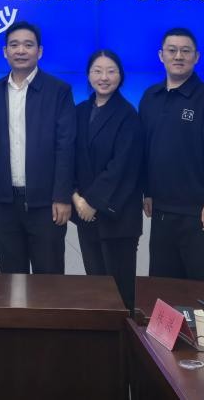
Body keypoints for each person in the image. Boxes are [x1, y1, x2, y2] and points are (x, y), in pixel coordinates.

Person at [0, 21, 76, 275]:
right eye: (14, 45)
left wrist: (62, 196)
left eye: (28, 45)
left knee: (49, 279)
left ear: (39, 51)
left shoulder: (58, 91)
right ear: (5, 52)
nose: (21, 50)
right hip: (4, 202)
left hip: (46, 204)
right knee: (11, 277)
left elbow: (66, 147)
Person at [139, 27, 204, 282]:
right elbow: (144, 150)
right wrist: (147, 191)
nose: (178, 56)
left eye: (185, 51)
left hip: (199, 212)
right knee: (164, 288)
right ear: (161, 55)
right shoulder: (149, 98)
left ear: (196, 57)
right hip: (161, 212)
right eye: (172, 50)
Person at [72, 49, 142, 309]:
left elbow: (121, 166)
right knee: (96, 289)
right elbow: (68, 157)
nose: (104, 77)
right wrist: (76, 198)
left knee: (120, 293)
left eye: (111, 71)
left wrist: (92, 202)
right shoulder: (79, 112)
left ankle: (124, 335)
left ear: (120, 76)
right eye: (97, 71)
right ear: (88, 75)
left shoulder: (128, 114)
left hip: (117, 216)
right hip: (84, 214)